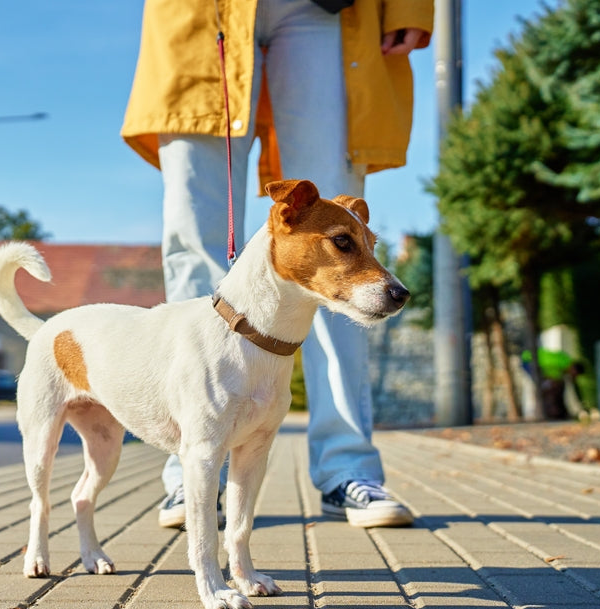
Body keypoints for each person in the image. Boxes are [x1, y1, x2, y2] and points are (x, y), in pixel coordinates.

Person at [121, 0, 433, 529]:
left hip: (326, 8)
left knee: (337, 244)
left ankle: (346, 468)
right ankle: (192, 474)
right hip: (200, 13)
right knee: (194, 241)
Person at [521, 348, 586, 420]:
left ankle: (550, 411)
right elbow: (544, 365)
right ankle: (543, 411)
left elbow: (553, 376)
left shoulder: (564, 365)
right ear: (574, 369)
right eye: (575, 375)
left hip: (531, 359)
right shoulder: (561, 363)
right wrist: (547, 379)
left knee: (552, 386)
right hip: (528, 359)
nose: (573, 376)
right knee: (547, 388)